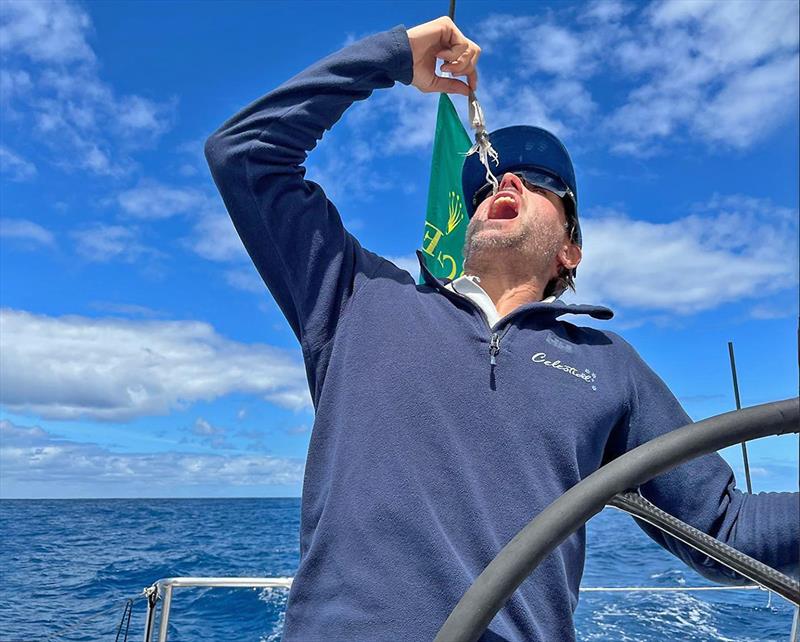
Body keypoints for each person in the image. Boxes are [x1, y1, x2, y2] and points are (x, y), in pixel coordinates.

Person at [204, 16, 798, 642]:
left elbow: (723, 530)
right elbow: (246, 154)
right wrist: (393, 58)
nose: (504, 182)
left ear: (570, 250)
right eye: (486, 184)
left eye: (539, 182)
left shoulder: (609, 363)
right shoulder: (357, 297)